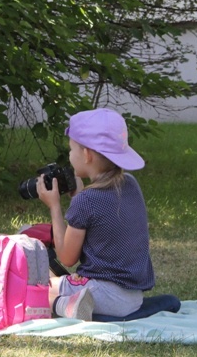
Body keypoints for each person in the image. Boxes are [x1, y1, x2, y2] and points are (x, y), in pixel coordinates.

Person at [37, 108, 155, 320]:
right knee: (53, 280)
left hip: (101, 295)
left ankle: (66, 306)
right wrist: (77, 195)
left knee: (35, 288)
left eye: (71, 150)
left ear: (87, 155)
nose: (70, 156)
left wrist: (54, 206)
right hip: (132, 298)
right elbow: (101, 217)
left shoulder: (86, 201)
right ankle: (72, 301)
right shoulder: (130, 184)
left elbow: (67, 257)